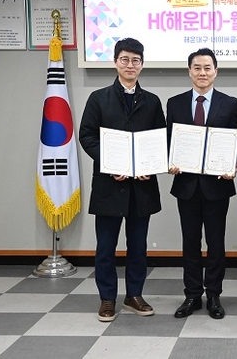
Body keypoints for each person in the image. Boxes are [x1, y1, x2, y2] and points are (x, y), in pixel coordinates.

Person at [79, 37, 166, 322]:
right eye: (125, 59)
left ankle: (134, 295)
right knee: (106, 247)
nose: (130, 65)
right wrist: (109, 163)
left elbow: (160, 140)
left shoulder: (152, 101)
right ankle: (107, 298)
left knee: (138, 246)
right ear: (116, 62)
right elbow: (87, 136)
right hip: (109, 184)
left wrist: (151, 166)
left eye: (136, 60)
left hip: (141, 186)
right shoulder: (99, 98)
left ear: (142, 65)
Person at [167, 48, 237, 320]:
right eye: (197, 67)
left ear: (215, 71)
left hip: (217, 185)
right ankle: (192, 295)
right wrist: (170, 160)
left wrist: (232, 163)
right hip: (186, 184)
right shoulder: (174, 103)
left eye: (207, 68)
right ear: (189, 71)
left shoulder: (230, 104)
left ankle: (214, 295)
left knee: (216, 243)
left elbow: (236, 140)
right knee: (190, 243)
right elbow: (169, 139)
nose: (202, 72)